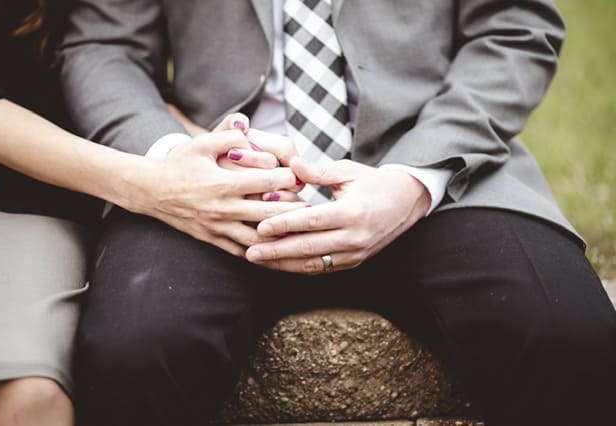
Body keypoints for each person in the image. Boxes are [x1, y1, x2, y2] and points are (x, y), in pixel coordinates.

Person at [60, 1, 616, 425]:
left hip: (435, 170)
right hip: (213, 178)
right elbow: (104, 47)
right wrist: (173, 163)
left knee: (569, 335)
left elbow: (514, 29)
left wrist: (414, 178)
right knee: (133, 350)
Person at [0, 1, 300, 425]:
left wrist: (207, 147)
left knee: (29, 401)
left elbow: (108, 51)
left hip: (46, 188)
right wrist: (160, 175)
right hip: (40, 179)